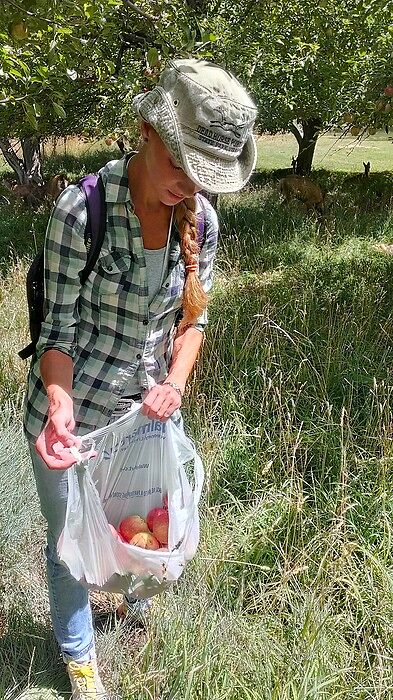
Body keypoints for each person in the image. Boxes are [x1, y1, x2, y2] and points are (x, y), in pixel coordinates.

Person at [23, 58, 257, 699]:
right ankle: (79, 658)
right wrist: (57, 403)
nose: (191, 185)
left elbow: (192, 325)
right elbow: (57, 334)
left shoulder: (202, 222)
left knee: (145, 525)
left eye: (206, 175)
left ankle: (129, 605)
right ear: (148, 131)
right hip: (78, 416)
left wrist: (174, 383)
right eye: (182, 164)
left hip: (149, 416)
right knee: (71, 544)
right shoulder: (82, 213)